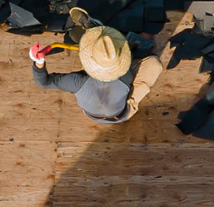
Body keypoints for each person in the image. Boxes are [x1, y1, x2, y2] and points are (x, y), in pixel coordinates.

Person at [29, 8, 182, 124]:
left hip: (93, 115)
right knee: (153, 62)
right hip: (122, 114)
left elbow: (44, 82)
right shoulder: (125, 75)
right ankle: (95, 30)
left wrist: (39, 61)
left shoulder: (76, 82)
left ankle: (91, 28)